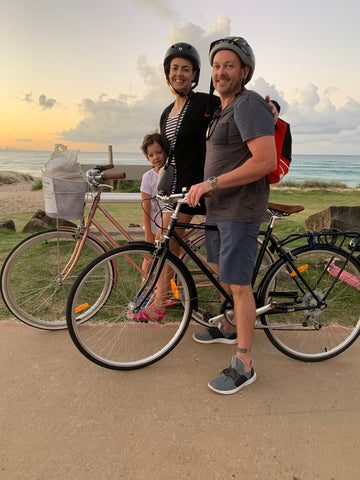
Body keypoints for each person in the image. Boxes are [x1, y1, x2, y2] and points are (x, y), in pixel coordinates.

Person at [131, 41, 278, 323]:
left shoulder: (205, 102)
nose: (180, 74)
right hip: (177, 192)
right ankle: (221, 308)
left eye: (186, 69)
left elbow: (237, 106)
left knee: (168, 240)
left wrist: (271, 109)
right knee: (176, 246)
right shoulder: (166, 113)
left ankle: (160, 301)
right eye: (175, 69)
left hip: (201, 189)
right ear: (167, 73)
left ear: (195, 74)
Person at [187, 36, 277, 395]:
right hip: (219, 208)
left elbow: (265, 161)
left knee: (238, 285)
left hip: (240, 210)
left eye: (229, 65)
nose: (220, 72)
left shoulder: (248, 104)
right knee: (222, 272)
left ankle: (244, 362)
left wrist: (211, 183)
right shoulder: (222, 109)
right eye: (217, 65)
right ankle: (228, 325)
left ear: (244, 71)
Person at [140, 131, 166, 243]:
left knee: (174, 255)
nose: (156, 157)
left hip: (169, 225)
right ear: (147, 158)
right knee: (150, 258)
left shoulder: (172, 174)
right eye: (151, 155)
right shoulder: (148, 177)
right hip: (154, 227)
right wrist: (148, 233)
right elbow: (146, 207)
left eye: (159, 152)